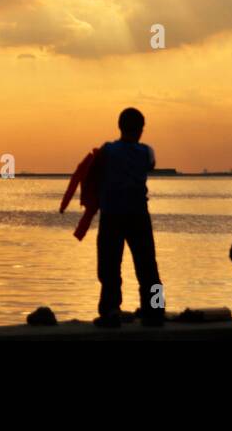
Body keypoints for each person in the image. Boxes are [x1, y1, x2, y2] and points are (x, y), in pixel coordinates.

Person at [94, 107, 164, 328]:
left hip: (111, 215)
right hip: (138, 215)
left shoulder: (107, 150)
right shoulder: (147, 151)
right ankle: (155, 311)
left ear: (119, 126)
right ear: (141, 129)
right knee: (148, 266)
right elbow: (152, 165)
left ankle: (110, 311)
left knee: (109, 266)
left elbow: (95, 171)